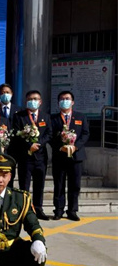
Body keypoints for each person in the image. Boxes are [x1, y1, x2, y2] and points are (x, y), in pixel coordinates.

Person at [50, 91, 90, 221]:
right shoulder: (53, 118)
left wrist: (75, 146)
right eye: (62, 99)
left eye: (67, 99)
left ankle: (72, 210)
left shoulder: (80, 117)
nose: (64, 101)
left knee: (75, 185)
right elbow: (49, 135)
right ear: (58, 103)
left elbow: (85, 134)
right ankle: (58, 210)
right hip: (59, 156)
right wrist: (59, 146)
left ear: (72, 102)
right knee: (59, 184)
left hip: (76, 156)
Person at [12, 90, 52, 220]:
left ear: (40, 102)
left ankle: (38, 208)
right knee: (24, 185)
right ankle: (24, 209)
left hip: (41, 157)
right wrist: (29, 145)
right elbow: (16, 134)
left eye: (35, 99)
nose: (32, 101)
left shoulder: (46, 116)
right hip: (25, 157)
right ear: (26, 101)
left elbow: (49, 134)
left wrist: (38, 144)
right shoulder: (19, 116)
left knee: (39, 185)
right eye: (30, 99)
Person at [0, 84, 21, 187]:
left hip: (15, 148)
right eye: (3, 93)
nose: (5, 94)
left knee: (10, 173)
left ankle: (9, 193)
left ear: (12, 94)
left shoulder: (19, 110)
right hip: (0, 148)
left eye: (7, 92)